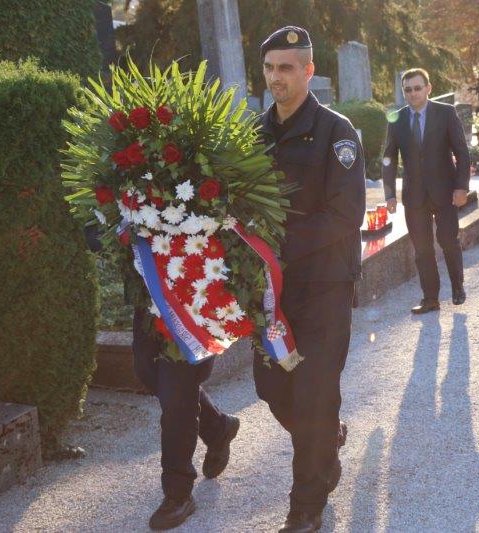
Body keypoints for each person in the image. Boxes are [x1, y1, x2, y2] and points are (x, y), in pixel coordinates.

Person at [255, 26, 365, 533]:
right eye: (270, 67)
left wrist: (281, 249)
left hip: (325, 286)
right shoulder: (256, 134)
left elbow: (346, 215)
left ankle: (305, 506)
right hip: (277, 294)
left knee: (314, 392)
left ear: (308, 71)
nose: (277, 77)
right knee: (272, 386)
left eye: (287, 67)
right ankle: (326, 442)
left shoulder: (336, 132)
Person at [132, 306, 240, 530]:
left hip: (193, 294)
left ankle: (178, 493)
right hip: (150, 291)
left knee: (177, 391)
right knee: (147, 370)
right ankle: (217, 428)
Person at [382, 68, 470, 313]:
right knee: (422, 249)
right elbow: (388, 158)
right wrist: (389, 194)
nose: (413, 93)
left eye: (417, 88)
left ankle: (457, 287)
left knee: (448, 241)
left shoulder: (445, 113)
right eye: (407, 89)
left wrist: (462, 187)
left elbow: (462, 152)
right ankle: (430, 298)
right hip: (414, 196)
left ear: (428, 88)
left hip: (445, 192)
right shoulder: (396, 119)